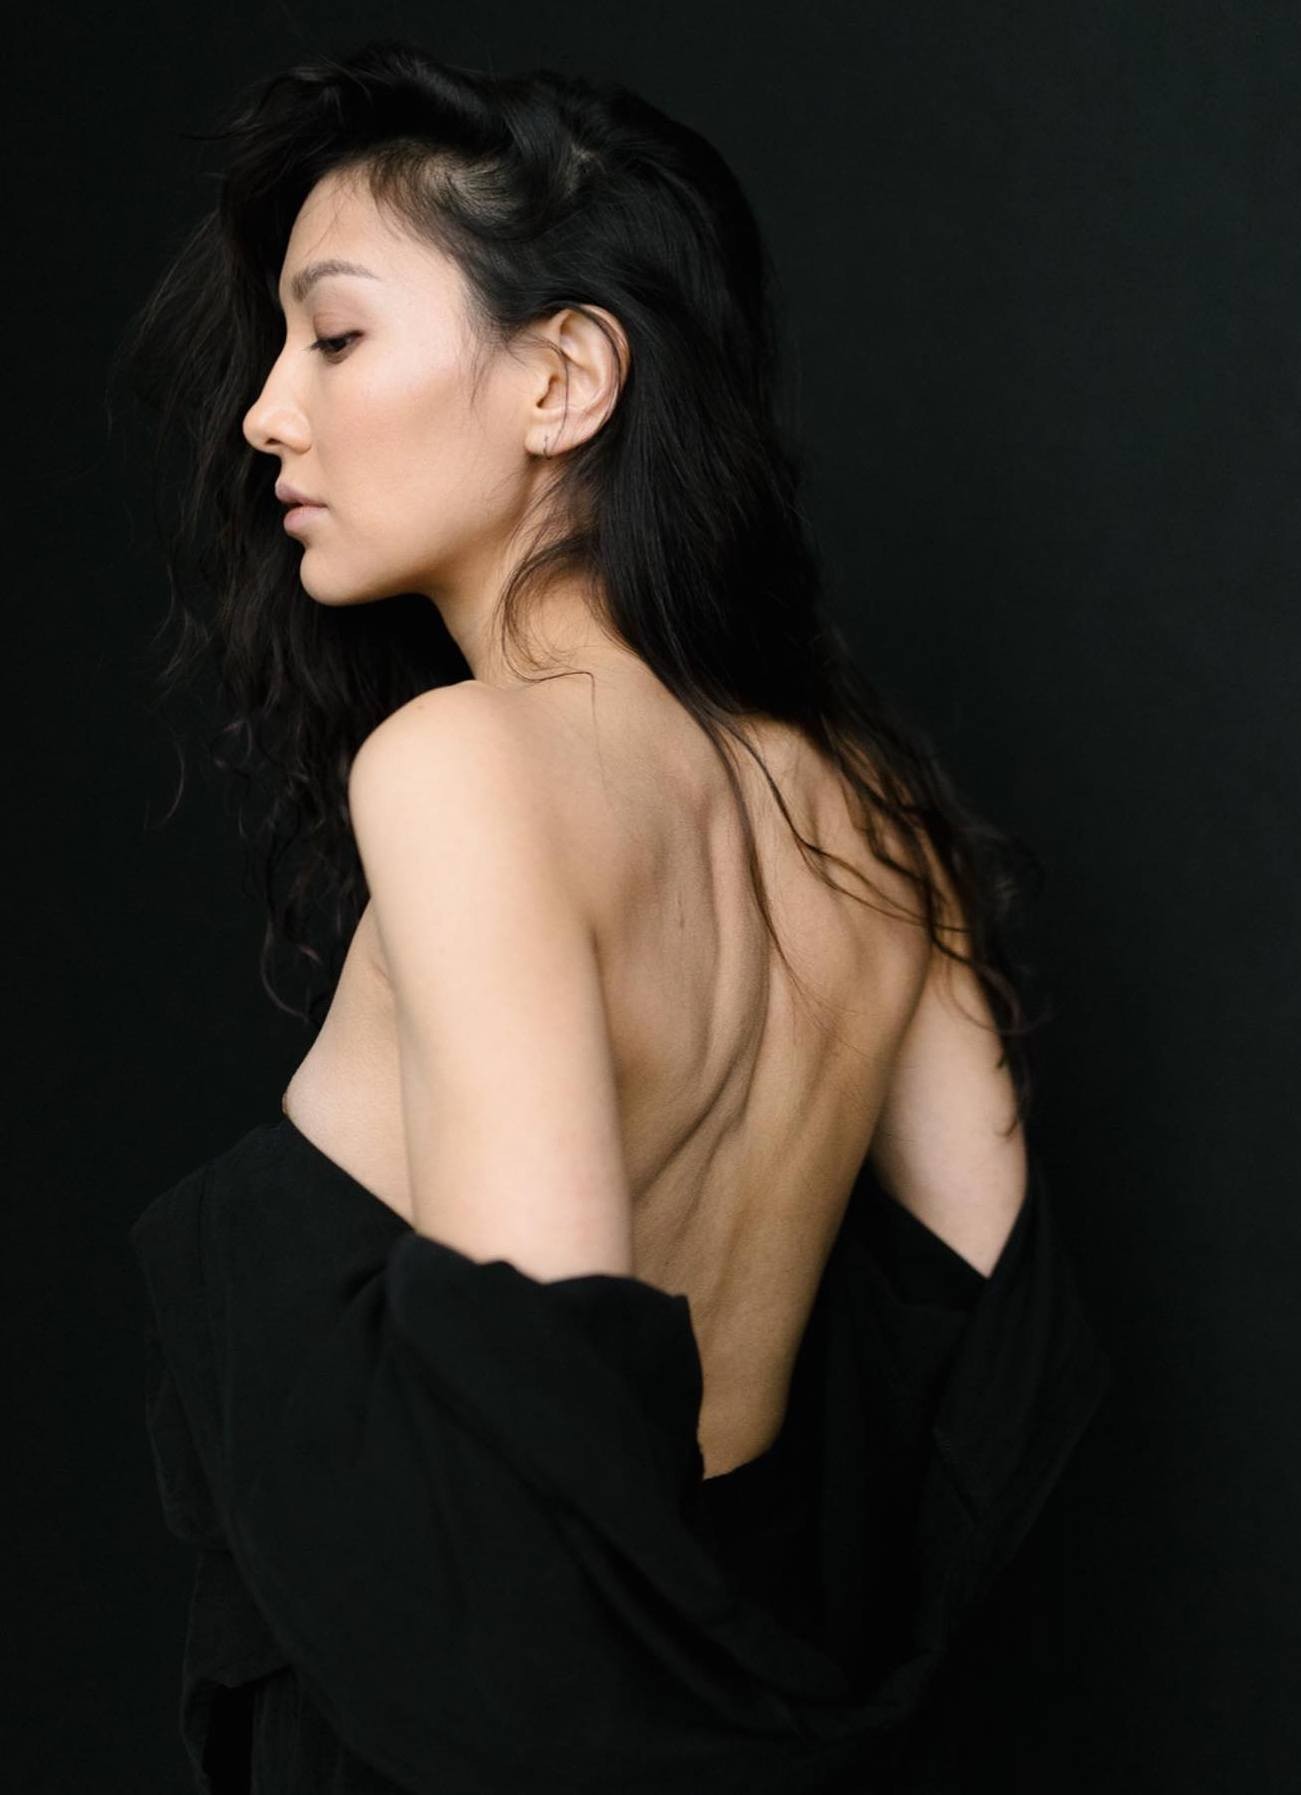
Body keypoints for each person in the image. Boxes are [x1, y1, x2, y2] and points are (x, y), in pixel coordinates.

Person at [119, 38, 1111, 1792]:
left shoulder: (462, 767)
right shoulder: (866, 804)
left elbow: (538, 1398)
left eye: (332, 337)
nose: (267, 412)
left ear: (566, 377)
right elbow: (987, 1336)